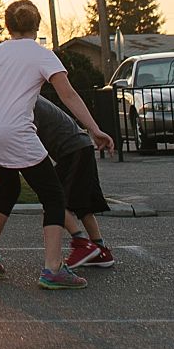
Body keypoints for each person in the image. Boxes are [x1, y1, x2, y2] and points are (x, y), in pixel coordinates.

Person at [0, 0, 114, 290]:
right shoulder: (42, 56)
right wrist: (94, 129)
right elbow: (69, 96)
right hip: (17, 131)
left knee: (9, 189)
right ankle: (53, 269)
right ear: (37, 24)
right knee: (53, 195)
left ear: (8, 26)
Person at [32, 94, 117, 270]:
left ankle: (82, 243)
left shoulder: (26, 103)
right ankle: (100, 249)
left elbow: (26, 140)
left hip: (73, 150)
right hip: (81, 146)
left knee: (53, 200)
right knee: (83, 204)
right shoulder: (33, 98)